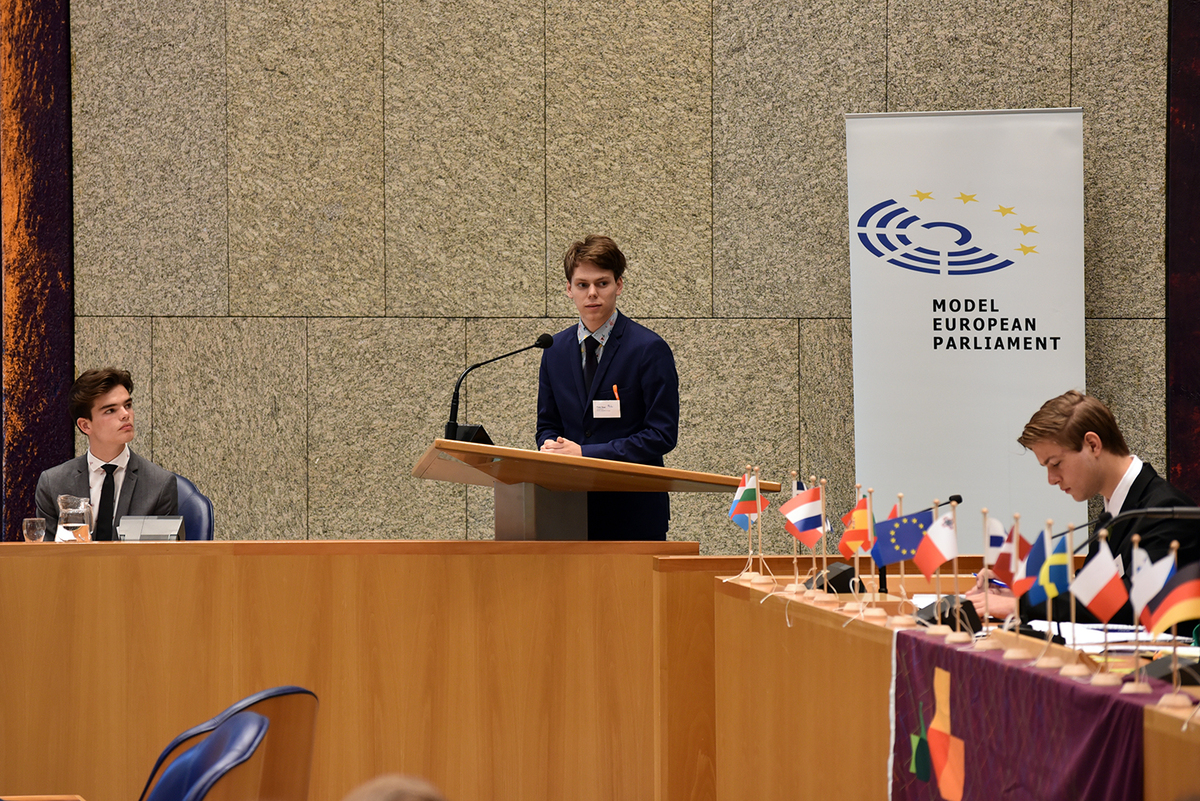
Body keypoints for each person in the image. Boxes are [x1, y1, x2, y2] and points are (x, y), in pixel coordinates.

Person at [967, 390, 1199, 624]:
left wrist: (1022, 606)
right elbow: (1088, 590)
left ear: (1092, 444)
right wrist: (1019, 594)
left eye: (1056, 463)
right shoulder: (1113, 513)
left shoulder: (1166, 511)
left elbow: (1133, 604)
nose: (1051, 478)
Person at [537, 234, 680, 540]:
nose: (592, 293)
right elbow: (547, 424)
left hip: (633, 512)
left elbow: (662, 434)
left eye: (602, 283)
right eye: (582, 284)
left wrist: (585, 454)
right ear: (568, 289)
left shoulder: (648, 349)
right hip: (566, 509)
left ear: (619, 285)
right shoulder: (554, 350)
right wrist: (550, 446)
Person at [35, 367, 178, 540]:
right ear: (85, 425)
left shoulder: (159, 485)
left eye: (128, 405)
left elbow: (161, 559)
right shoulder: (53, 484)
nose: (126, 415)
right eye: (110, 410)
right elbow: (46, 558)